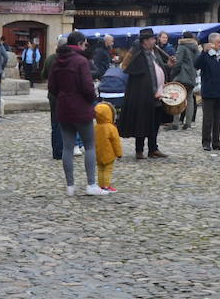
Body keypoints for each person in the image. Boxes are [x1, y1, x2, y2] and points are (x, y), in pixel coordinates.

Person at [49, 31, 108, 196]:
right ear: (81, 43)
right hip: (81, 108)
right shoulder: (82, 61)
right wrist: (92, 98)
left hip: (63, 108)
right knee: (89, 146)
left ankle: (70, 186)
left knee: (67, 147)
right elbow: (88, 87)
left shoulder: (56, 61)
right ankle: (91, 184)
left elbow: (52, 88)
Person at [116, 28, 168, 159]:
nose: (154, 40)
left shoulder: (154, 53)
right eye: (152, 39)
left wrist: (168, 66)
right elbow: (127, 67)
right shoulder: (138, 54)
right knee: (141, 121)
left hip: (157, 93)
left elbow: (158, 69)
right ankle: (139, 150)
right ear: (145, 41)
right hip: (143, 94)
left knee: (155, 122)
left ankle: (153, 148)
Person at [172, 31, 199, 129]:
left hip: (181, 76)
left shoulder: (181, 46)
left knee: (177, 99)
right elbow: (197, 62)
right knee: (190, 99)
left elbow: (178, 63)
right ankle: (188, 123)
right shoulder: (196, 48)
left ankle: (175, 123)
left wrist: (173, 74)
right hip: (191, 77)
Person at [93, 101, 122, 192]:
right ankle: (106, 185)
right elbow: (115, 142)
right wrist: (119, 153)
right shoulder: (111, 128)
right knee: (107, 170)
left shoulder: (95, 127)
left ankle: (101, 185)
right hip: (109, 154)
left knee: (100, 169)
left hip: (98, 153)